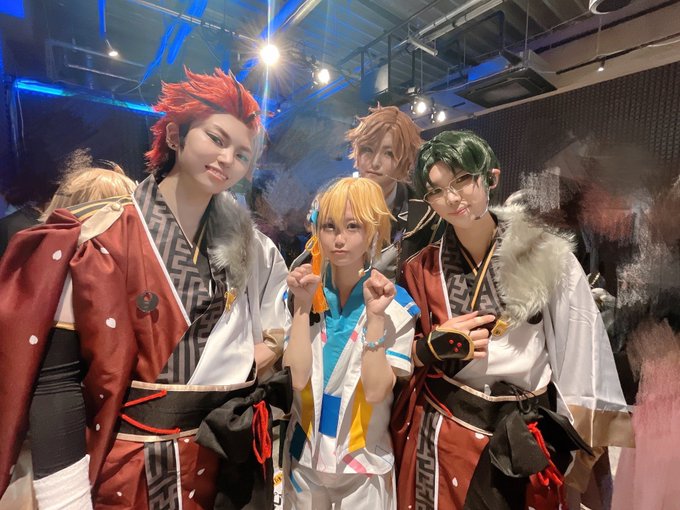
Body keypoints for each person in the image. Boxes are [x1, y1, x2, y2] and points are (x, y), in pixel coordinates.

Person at [0, 68, 291, 509]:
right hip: (131, 466)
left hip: (221, 462)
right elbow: (57, 381)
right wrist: (65, 498)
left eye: (242, 154)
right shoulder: (99, 236)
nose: (227, 158)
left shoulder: (251, 248)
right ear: (175, 134)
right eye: (216, 138)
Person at [391, 130, 633, 510]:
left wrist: (581, 453)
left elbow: (581, 352)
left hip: (527, 432)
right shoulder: (419, 268)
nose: (452, 198)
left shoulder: (546, 253)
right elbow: (394, 357)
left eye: (463, 180)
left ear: (491, 177)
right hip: (444, 431)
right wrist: (428, 348)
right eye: (437, 190)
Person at [282, 177, 418, 509]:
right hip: (304, 457)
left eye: (352, 226)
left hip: (364, 463)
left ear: (373, 231)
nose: (339, 239)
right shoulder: (300, 292)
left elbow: (375, 391)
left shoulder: (396, 305)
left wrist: (375, 317)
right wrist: (301, 306)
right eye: (329, 226)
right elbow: (296, 379)